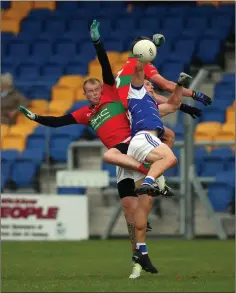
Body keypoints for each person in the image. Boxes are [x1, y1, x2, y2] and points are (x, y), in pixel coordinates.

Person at [19, 20, 201, 276]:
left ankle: (152, 180)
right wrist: (36, 118)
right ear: (85, 94)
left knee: (135, 191)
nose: (94, 93)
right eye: (89, 91)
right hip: (122, 163)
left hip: (131, 149)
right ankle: (138, 258)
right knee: (130, 214)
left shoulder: (111, 94)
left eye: (96, 89)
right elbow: (59, 122)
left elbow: (107, 66)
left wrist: (97, 42)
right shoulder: (85, 113)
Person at [127, 62, 192, 279]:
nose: (151, 87)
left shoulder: (152, 107)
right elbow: (137, 71)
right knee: (171, 157)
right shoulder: (136, 96)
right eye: (148, 84)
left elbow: (173, 105)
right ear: (139, 86)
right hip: (141, 139)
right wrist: (145, 53)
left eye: (153, 86)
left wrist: (179, 85)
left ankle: (140, 253)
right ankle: (152, 179)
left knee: (142, 208)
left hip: (143, 147)